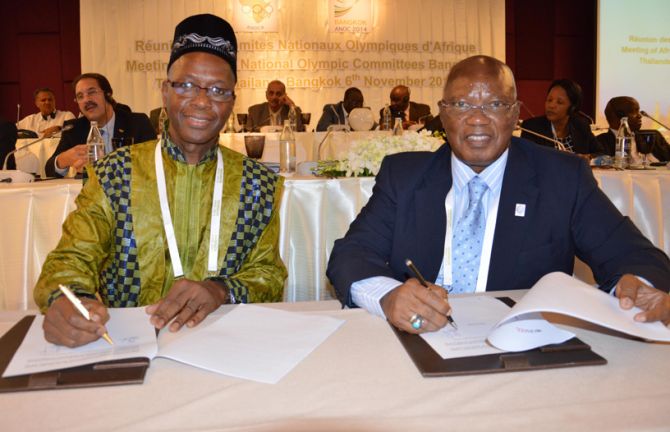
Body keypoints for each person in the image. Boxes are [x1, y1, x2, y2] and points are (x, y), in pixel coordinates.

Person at [327, 55, 670, 334]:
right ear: (443, 114)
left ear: (516, 113)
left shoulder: (561, 178)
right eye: (461, 104)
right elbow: (351, 254)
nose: (477, 119)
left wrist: (636, 285)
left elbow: (633, 254)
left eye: (494, 104)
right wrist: (388, 296)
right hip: (417, 341)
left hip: (520, 350)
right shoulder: (404, 175)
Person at [34, 13, 287, 347]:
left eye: (217, 90)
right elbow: (73, 255)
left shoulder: (259, 184)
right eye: (185, 85)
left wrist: (220, 289)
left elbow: (268, 275)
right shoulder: (115, 173)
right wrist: (67, 299)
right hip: (128, 350)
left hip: (224, 346)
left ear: (232, 103)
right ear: (165, 92)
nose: (201, 101)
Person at [44, 73, 155, 178]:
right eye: (80, 96)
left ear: (108, 94)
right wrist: (63, 159)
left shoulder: (137, 122)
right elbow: (49, 170)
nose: (86, 100)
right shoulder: (74, 128)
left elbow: (152, 163)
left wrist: (106, 167)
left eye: (91, 92)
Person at [521, 79, 602, 156]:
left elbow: (601, 153)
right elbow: (526, 159)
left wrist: (589, 157)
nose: (551, 106)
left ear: (572, 108)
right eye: (549, 100)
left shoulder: (581, 126)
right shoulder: (532, 128)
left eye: (559, 102)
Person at [597, 96, 670, 161]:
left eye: (638, 111)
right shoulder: (600, 143)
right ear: (619, 116)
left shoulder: (653, 136)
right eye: (634, 111)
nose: (640, 116)